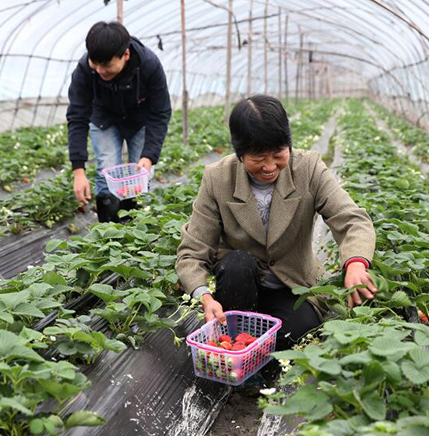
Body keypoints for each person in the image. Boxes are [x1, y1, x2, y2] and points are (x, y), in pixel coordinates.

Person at [176, 95, 377, 350]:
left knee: (297, 333)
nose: (270, 166)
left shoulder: (308, 169)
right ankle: (238, 338)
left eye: (278, 154)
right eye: (258, 157)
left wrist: (356, 262)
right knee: (238, 264)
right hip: (239, 286)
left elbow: (351, 219)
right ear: (240, 153)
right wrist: (204, 295)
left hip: (291, 285)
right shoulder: (218, 178)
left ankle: (249, 339)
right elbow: (192, 250)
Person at [66, 21, 171, 222]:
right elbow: (77, 116)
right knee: (105, 170)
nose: (99, 70)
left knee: (140, 174)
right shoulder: (84, 69)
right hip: (103, 118)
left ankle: (137, 230)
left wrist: (149, 156)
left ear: (126, 55)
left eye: (106, 65)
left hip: (139, 120)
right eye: (95, 63)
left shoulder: (149, 65)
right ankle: (108, 231)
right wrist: (78, 171)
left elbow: (160, 112)